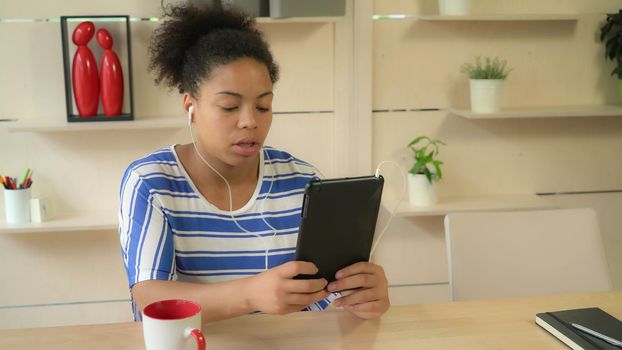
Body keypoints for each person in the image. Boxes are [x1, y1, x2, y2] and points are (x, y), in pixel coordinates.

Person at [118, 3, 389, 322]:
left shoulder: (303, 180)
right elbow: (149, 296)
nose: (249, 122)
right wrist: (249, 294)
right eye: (230, 107)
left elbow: (329, 298)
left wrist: (365, 295)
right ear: (191, 105)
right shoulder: (151, 182)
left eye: (263, 107)